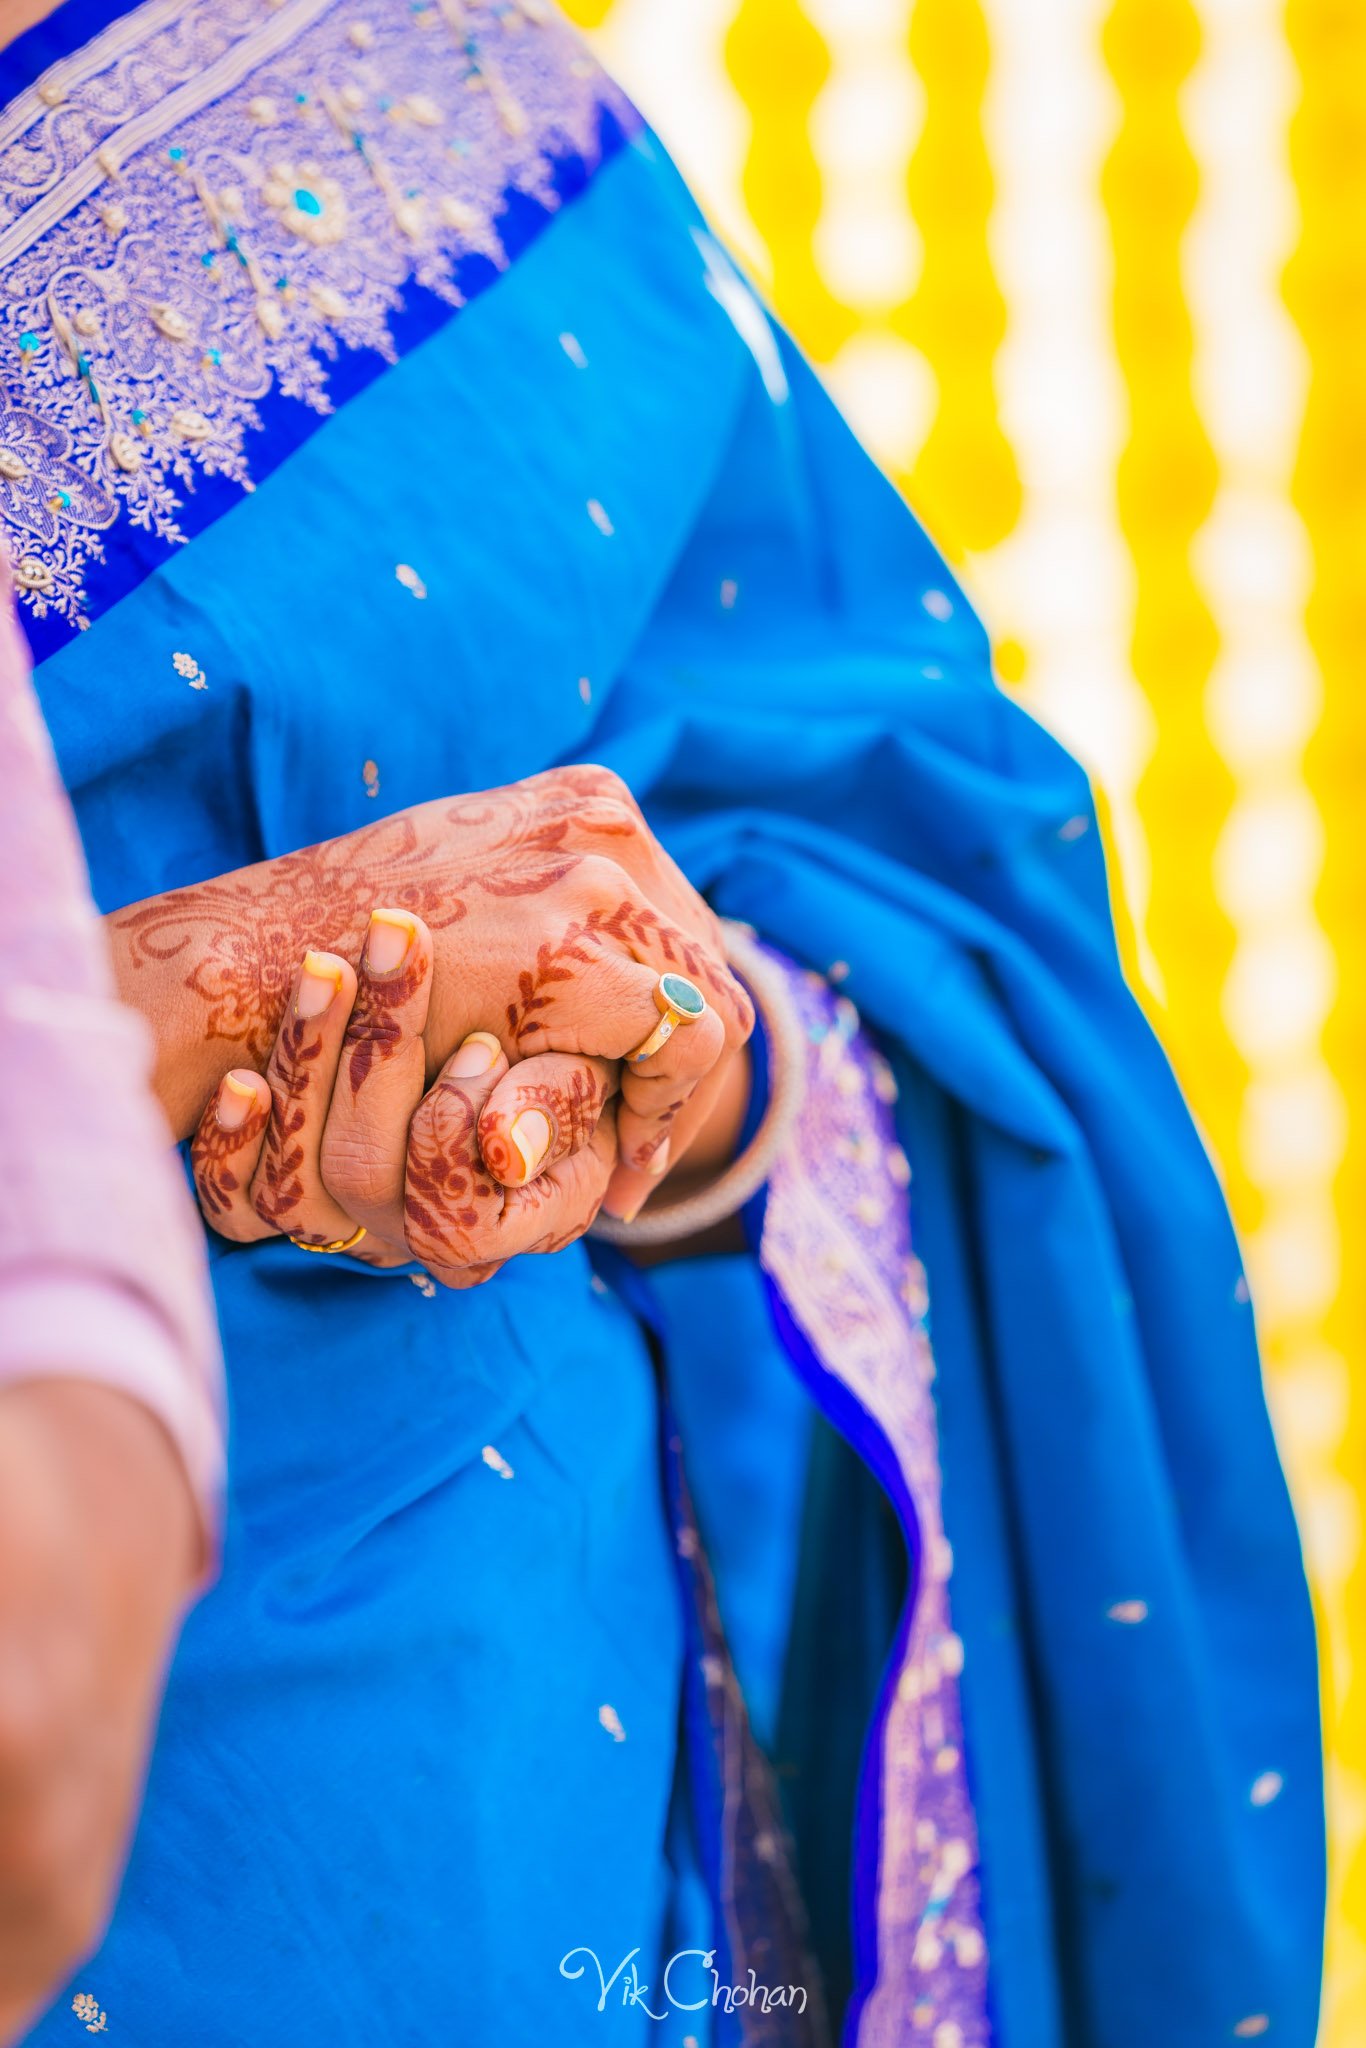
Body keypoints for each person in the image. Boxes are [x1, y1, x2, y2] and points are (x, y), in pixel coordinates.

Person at [0, 2, 1323, 2044]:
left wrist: (664, 1068)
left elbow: (865, 840)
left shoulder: (415, 85)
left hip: (594, 1844)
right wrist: (175, 1005)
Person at [0, 559, 223, 2039]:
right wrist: (171, 1009)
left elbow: (883, 825)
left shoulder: (625, 333)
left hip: (543, 1790)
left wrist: (696, 1049)